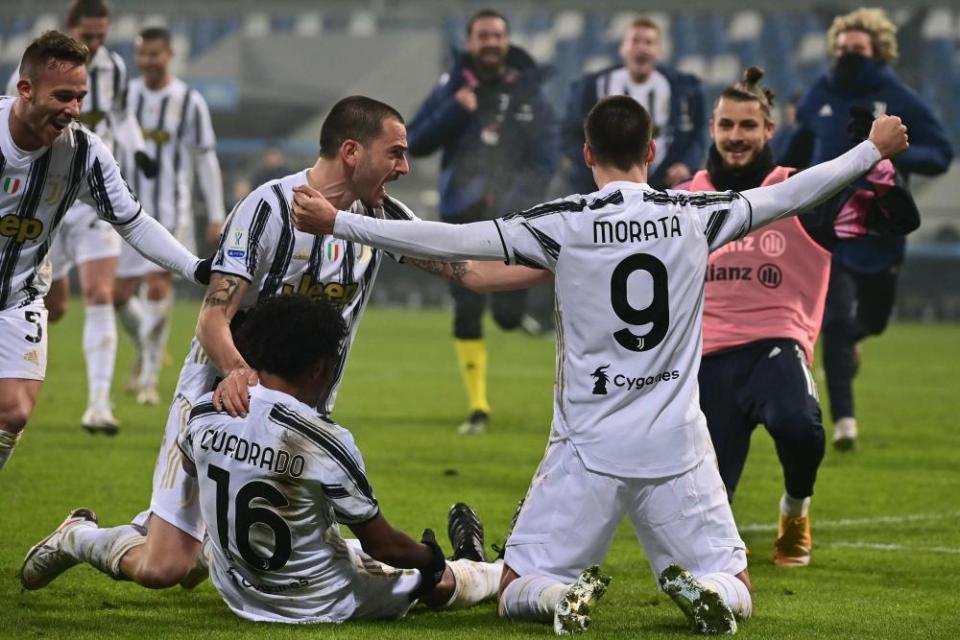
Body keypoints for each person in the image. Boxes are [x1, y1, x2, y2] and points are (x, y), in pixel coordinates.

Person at [289, 96, 909, 634]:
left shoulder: (564, 223)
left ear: (588, 154)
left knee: (514, 588)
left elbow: (456, 240)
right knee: (736, 577)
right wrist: (870, 151)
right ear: (652, 148)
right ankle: (709, 596)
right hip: (675, 444)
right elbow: (791, 194)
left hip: (588, 448)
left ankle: (560, 596)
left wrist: (341, 222)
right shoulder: (696, 215)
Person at [18, 95, 539, 594]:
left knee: (278, 557)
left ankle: (186, 532)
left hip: (300, 420)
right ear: (352, 151)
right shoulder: (266, 209)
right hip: (218, 399)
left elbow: (470, 272)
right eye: (395, 153)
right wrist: (239, 372)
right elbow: (212, 319)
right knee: (163, 568)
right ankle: (78, 537)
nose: (404, 167)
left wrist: (558, 263)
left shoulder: (379, 220)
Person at [24, 294, 501, 623]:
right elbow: (386, 547)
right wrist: (430, 560)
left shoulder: (209, 410)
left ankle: (101, 536)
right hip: (319, 600)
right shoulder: (325, 439)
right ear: (319, 368)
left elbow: (192, 470)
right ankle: (495, 569)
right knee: (439, 582)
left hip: (239, 589)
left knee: (307, 539)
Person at [679, 67, 919, 568]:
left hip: (776, 344)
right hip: (703, 360)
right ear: (712, 130)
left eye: (748, 126)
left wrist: (878, 171)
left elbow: (898, 221)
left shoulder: (802, 191)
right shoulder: (684, 199)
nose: (736, 136)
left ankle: (795, 510)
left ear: (769, 131)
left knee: (798, 423)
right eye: (726, 125)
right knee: (705, 503)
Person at [0, 30, 208, 471]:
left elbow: (134, 222)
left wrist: (195, 267)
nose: (73, 110)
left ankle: (101, 399)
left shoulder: (84, 151)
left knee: (15, 411)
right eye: (62, 97)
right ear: (24, 89)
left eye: (79, 97)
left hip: (17, 296)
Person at [779, 8, 953, 450]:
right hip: (826, 225)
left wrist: (890, 154)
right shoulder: (820, 91)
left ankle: (857, 341)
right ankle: (844, 423)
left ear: (877, 52)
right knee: (834, 322)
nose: (847, 56)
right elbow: (796, 144)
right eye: (841, 49)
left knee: (871, 320)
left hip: (880, 227)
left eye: (856, 50)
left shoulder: (899, 96)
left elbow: (940, 152)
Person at [6, 0, 157, 434]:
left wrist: (141, 153)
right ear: (73, 27)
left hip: (89, 193)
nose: (95, 43)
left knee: (99, 292)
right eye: (88, 35)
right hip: (42, 202)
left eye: (101, 35)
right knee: (55, 306)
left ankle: (98, 404)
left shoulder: (113, 70)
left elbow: (121, 118)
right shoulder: (39, 65)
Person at [407, 8, 559, 435]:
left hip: (513, 221)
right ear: (470, 42)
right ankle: (478, 406)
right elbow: (414, 141)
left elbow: (545, 159)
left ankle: (519, 319)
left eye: (497, 35)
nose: (491, 42)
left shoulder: (530, 92)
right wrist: (455, 111)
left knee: (508, 315)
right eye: (483, 35)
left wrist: (516, 202)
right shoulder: (452, 86)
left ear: (507, 41)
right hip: (463, 216)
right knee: (466, 309)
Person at [113, 26, 226, 405]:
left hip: (170, 209)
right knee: (117, 295)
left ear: (169, 55)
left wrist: (215, 212)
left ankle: (147, 378)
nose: (148, 61)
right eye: (142, 54)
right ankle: (147, 349)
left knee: (158, 285)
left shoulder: (189, 101)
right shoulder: (124, 95)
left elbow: (205, 157)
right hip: (125, 208)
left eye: (155, 54)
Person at [562, 16, 705, 193]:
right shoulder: (592, 86)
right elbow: (571, 133)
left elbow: (698, 133)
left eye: (649, 42)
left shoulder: (684, 90)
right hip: (602, 189)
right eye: (635, 41)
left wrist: (686, 164)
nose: (642, 47)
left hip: (663, 187)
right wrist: (588, 169)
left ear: (659, 51)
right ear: (622, 48)